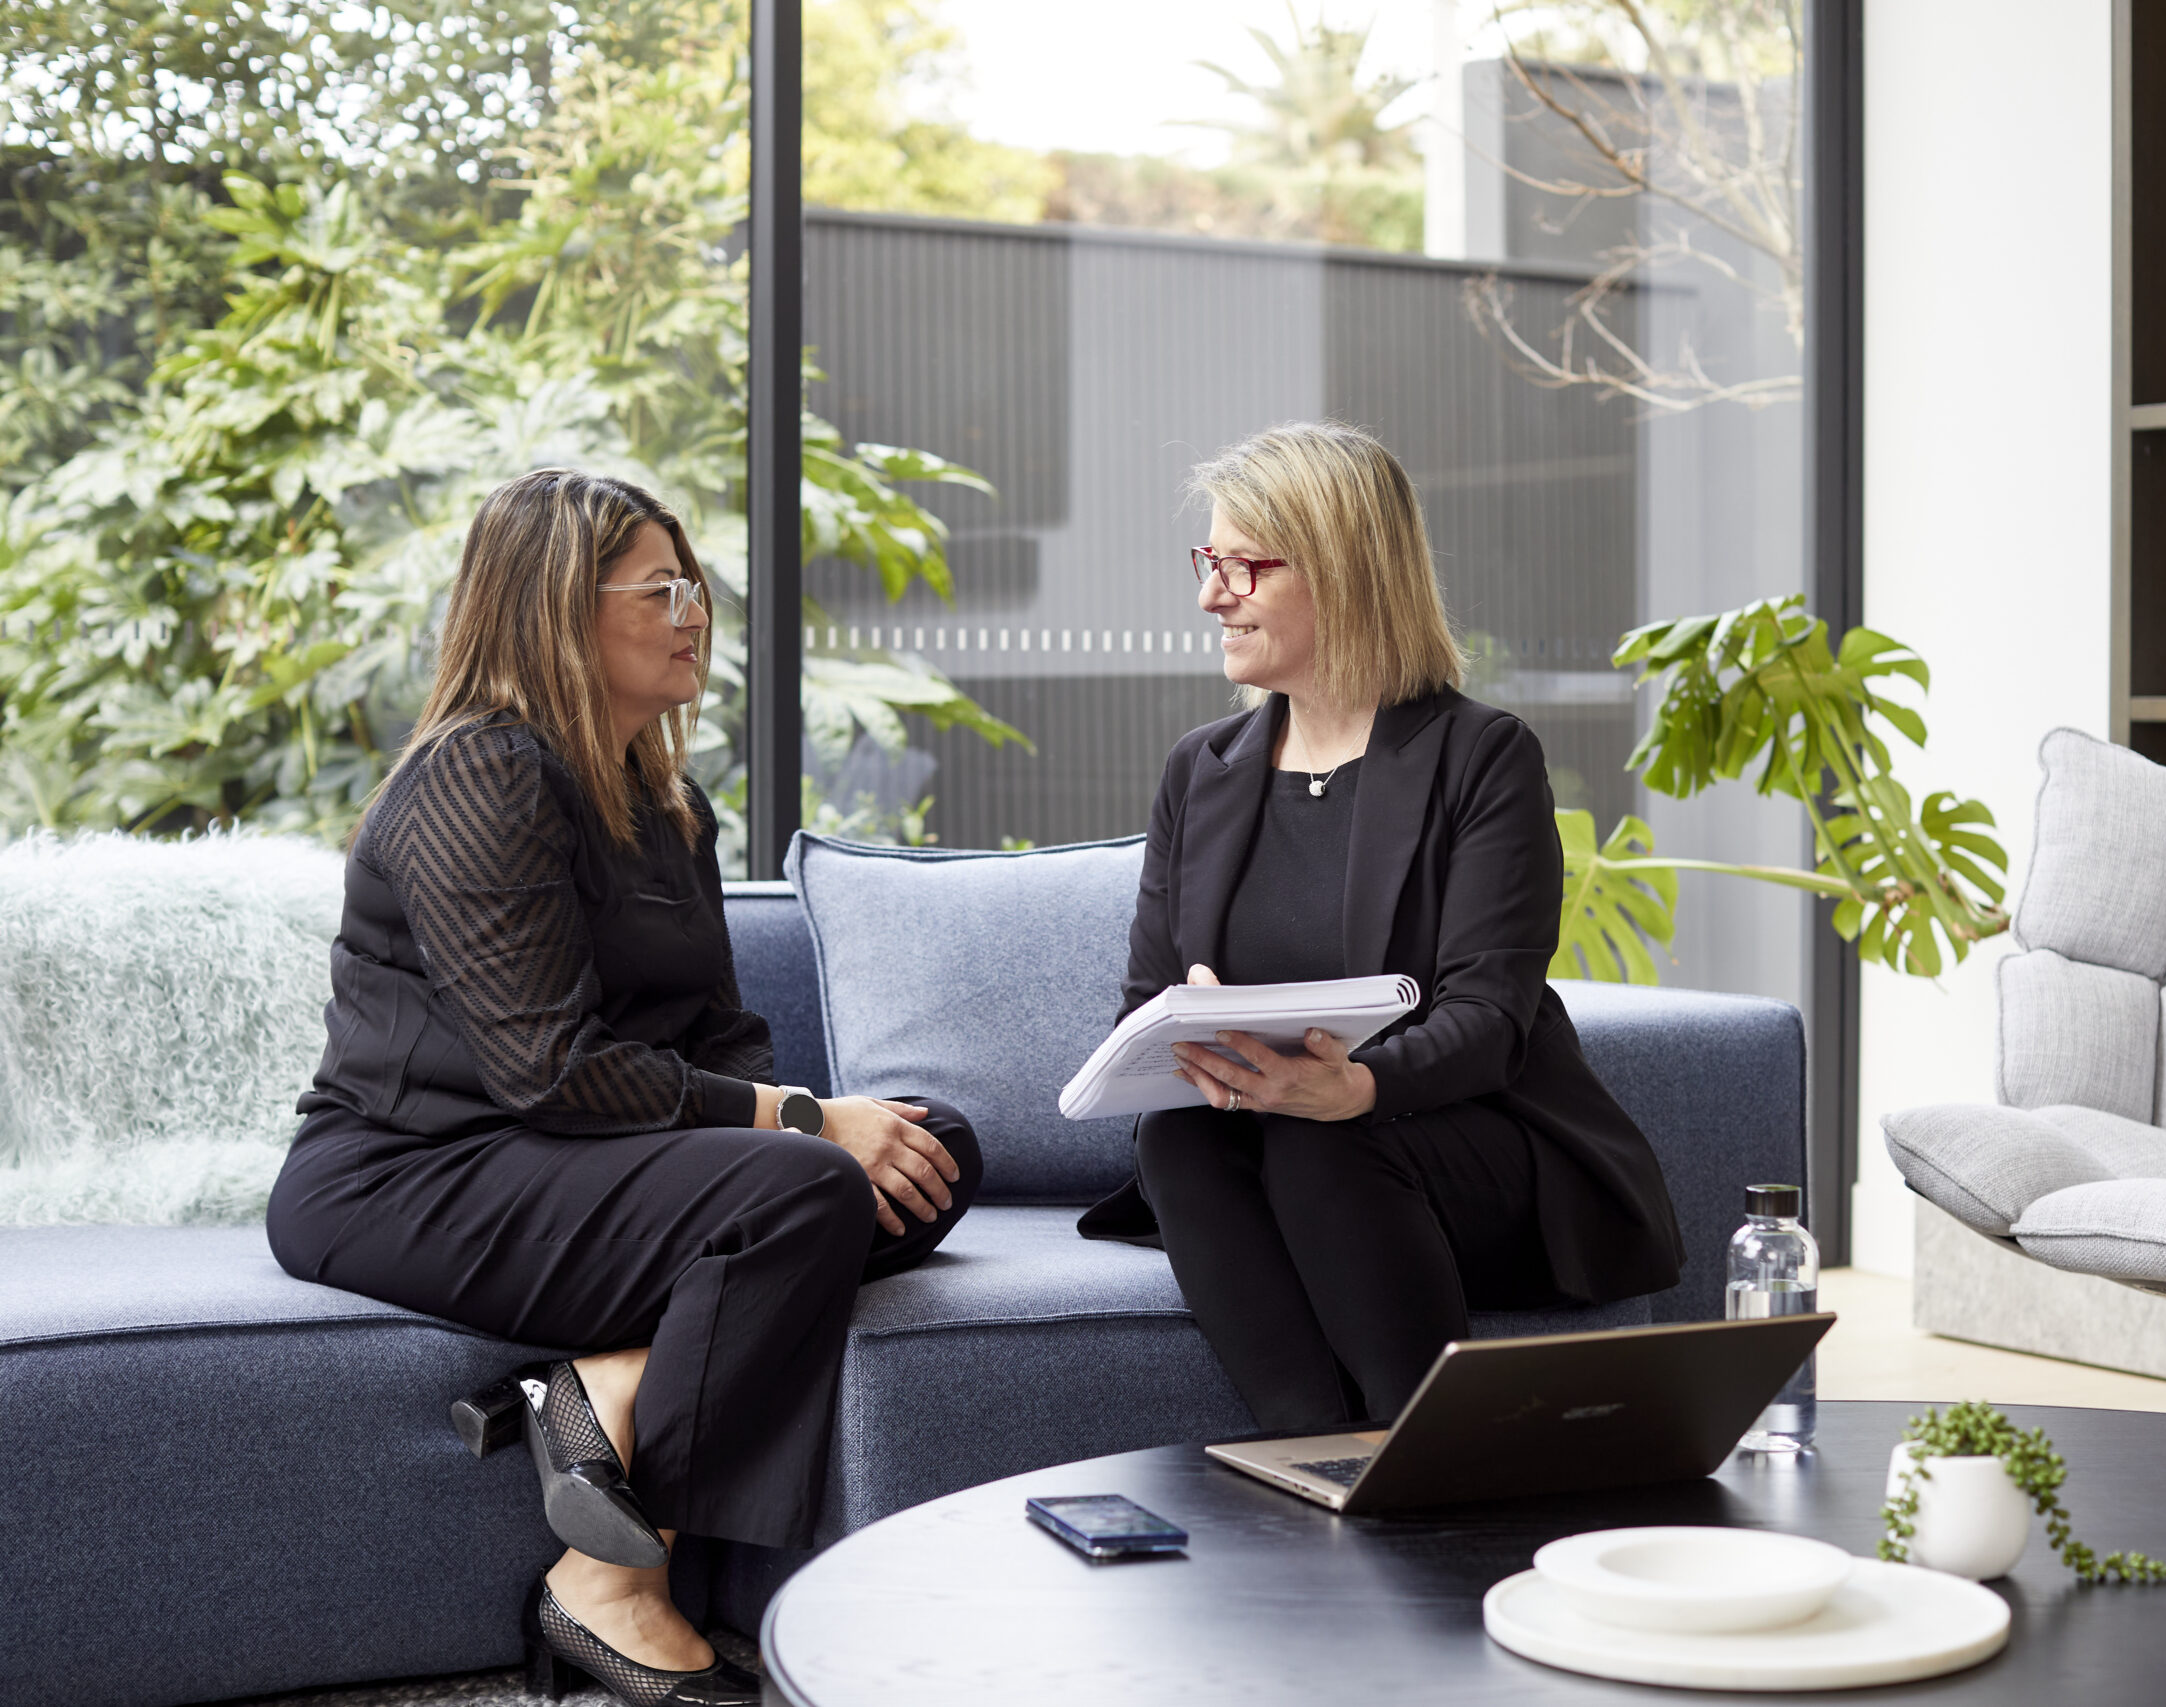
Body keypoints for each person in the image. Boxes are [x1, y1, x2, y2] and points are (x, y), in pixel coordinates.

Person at [267, 469, 982, 1707]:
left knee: (936, 1148)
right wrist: (807, 1126)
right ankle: (609, 1579)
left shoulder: (670, 803)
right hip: (414, 1173)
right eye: (657, 588)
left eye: (692, 582)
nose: (692, 608)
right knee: (810, 1180)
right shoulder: (476, 778)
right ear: (556, 610)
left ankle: (603, 1387)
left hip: (575, 1164)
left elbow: (722, 1032)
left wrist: (816, 1126)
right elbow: (549, 1072)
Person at [1077, 421, 1684, 1431]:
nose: (1209, 595)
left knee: (1324, 1142)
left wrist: (1353, 1086)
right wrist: (1191, 1030)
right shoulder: (1203, 768)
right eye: (1208, 561)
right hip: (1264, 1141)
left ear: (1343, 572)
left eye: (1242, 567)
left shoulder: (1481, 757)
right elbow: (1146, 1001)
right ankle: (1315, 1452)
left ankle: (1424, 1453)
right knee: (1176, 1141)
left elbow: (1492, 1016)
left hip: (1459, 1143)